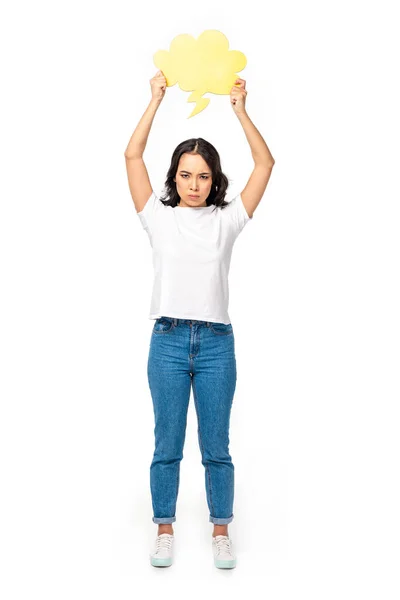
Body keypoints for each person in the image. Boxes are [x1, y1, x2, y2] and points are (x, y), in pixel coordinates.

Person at [124, 70, 275, 569]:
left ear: (215, 180)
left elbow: (265, 163)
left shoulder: (228, 219)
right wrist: (155, 101)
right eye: (185, 175)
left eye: (203, 175)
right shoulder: (157, 216)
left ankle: (220, 531)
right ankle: (164, 529)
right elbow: (131, 157)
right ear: (174, 178)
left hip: (215, 345)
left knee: (217, 445)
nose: (193, 184)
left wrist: (240, 111)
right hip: (166, 341)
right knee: (166, 443)